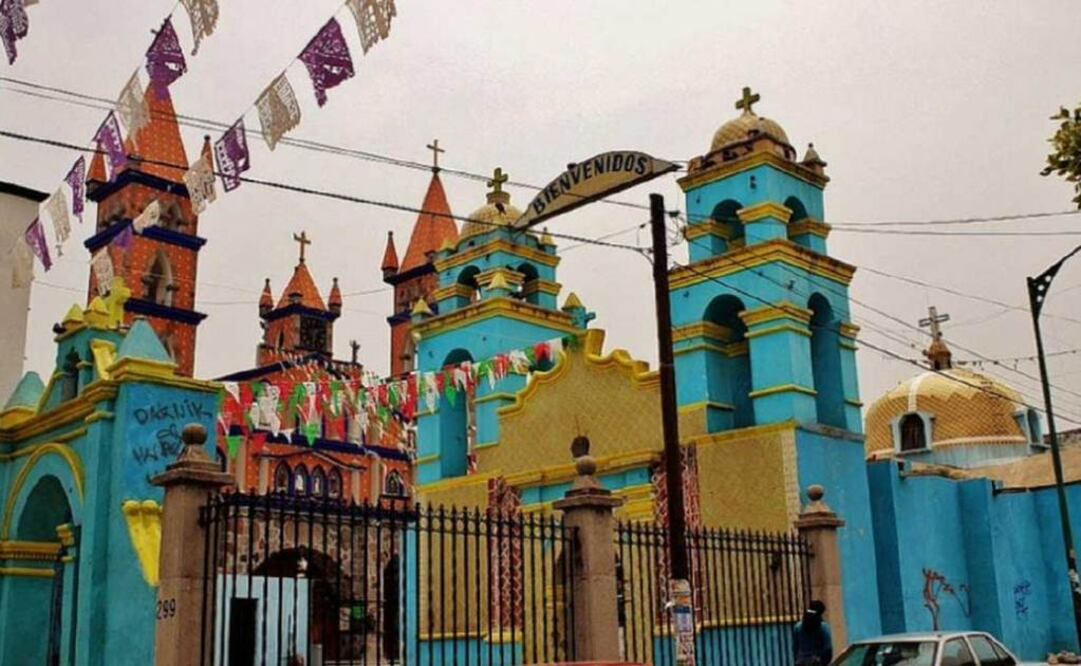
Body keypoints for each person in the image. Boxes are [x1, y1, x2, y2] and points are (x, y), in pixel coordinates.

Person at [793, 599, 834, 666]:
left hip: (800, 662)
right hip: (816, 662)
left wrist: (798, 660)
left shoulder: (798, 627)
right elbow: (828, 648)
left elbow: (795, 647)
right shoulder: (823, 627)